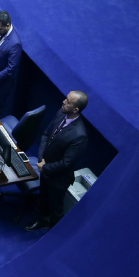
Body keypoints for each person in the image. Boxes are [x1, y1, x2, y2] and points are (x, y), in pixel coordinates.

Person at [25, 91, 89, 231]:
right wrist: (42, 161)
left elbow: (67, 163)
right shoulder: (61, 114)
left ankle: (52, 234)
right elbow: (46, 135)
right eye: (65, 99)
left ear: (75, 109)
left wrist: (45, 167)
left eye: (68, 102)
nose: (63, 102)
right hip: (45, 168)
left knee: (56, 210)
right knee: (43, 198)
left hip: (58, 179)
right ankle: (42, 220)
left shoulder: (79, 135)